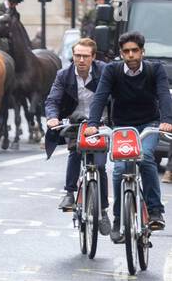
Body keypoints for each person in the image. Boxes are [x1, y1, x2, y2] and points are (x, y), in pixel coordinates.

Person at [84, 31, 172, 236]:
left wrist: (167, 121)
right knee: (118, 169)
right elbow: (100, 96)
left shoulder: (155, 69)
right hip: (122, 128)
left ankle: (155, 211)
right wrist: (93, 123)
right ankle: (118, 219)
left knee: (146, 158)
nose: (131, 55)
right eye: (126, 52)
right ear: (121, 54)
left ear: (142, 51)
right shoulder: (112, 71)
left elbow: (163, 96)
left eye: (135, 51)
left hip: (148, 124)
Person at [44, 37, 109, 233]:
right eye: (77, 56)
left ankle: (103, 211)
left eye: (85, 56)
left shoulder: (105, 71)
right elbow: (52, 100)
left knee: (100, 165)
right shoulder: (63, 75)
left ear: (93, 57)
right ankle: (70, 193)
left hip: (101, 123)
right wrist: (53, 118)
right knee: (75, 151)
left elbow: (117, 95)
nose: (80, 60)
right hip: (76, 121)